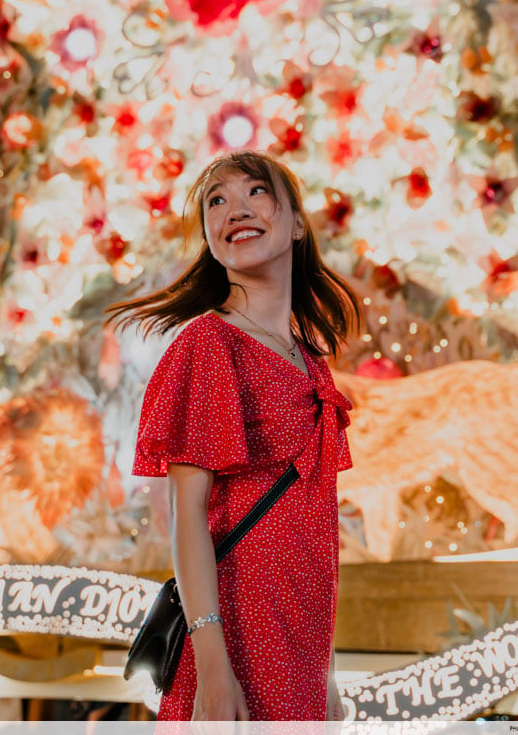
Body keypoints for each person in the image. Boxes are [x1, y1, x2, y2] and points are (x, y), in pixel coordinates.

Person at [107, 150, 361, 721]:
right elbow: (187, 514)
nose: (233, 210)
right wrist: (215, 673)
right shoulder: (210, 344)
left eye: (255, 193)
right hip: (232, 652)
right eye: (216, 201)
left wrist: (326, 671)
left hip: (299, 655)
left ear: (297, 222)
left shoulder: (312, 363)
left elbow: (311, 529)